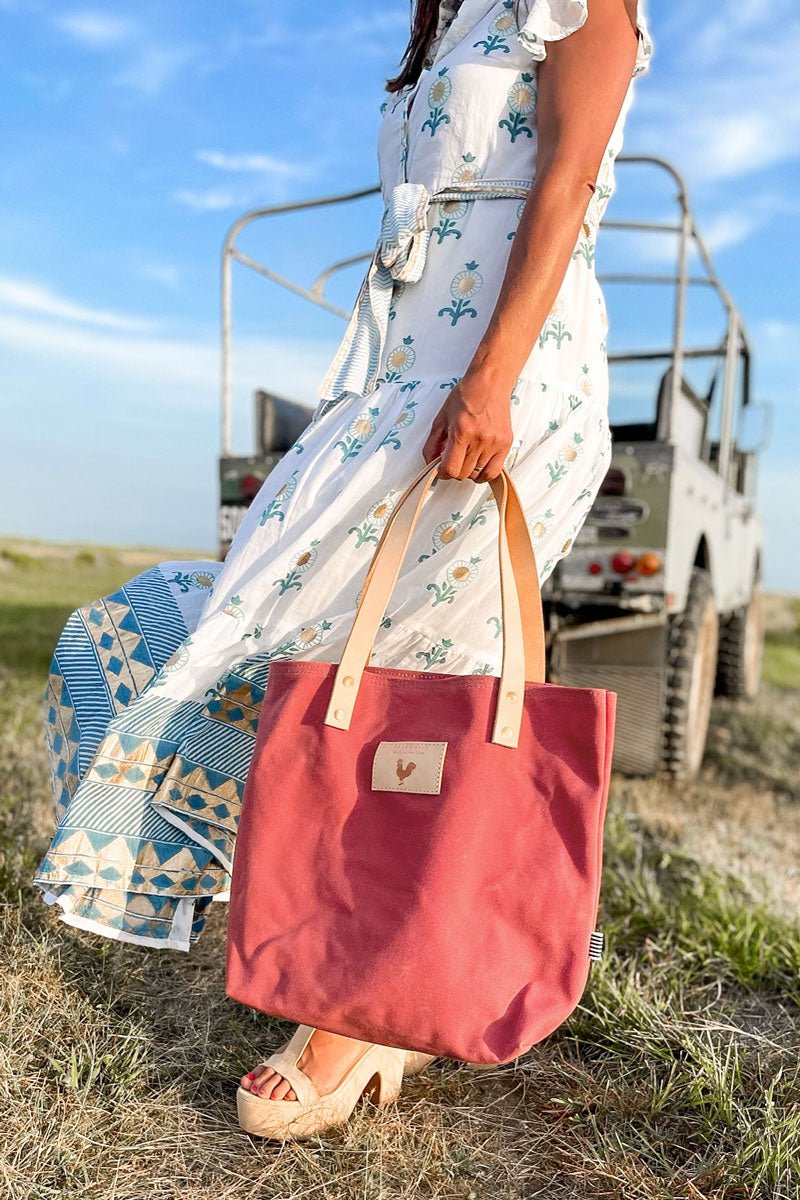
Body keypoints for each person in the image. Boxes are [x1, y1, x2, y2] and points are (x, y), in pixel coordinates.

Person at [34, 0, 653, 1141]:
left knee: (432, 685)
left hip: (505, 379)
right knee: (274, 650)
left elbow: (562, 185)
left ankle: (356, 1014)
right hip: (391, 379)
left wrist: (492, 383)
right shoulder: (450, 21)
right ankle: (345, 955)